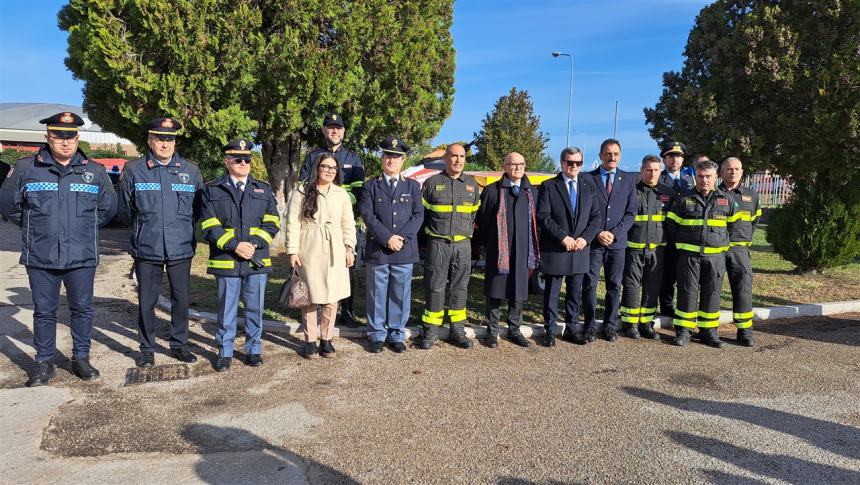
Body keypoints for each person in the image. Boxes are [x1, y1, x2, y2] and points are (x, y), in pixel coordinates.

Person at [0, 112, 117, 386]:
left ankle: (81, 358)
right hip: (41, 255)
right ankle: (44, 362)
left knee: (82, 309)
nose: (65, 142)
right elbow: (8, 206)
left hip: (82, 255)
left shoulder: (94, 171)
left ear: (78, 138)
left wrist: (83, 229)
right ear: (47, 137)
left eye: (71, 136)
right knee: (44, 311)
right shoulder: (26, 168)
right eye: (58, 136)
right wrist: (37, 227)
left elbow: (108, 208)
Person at [117, 117, 204, 368]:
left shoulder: (191, 170)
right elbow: (125, 210)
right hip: (148, 246)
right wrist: (144, 229)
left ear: (175, 142)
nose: (165, 144)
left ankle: (180, 345)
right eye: (159, 138)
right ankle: (147, 348)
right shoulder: (134, 169)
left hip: (180, 246)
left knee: (181, 299)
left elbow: (197, 209)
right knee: (147, 301)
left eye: (169, 139)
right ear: (149, 140)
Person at [199, 139, 280, 371]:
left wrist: (252, 244)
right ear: (227, 162)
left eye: (247, 159)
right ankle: (224, 351)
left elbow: (273, 221)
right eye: (238, 159)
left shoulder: (263, 188)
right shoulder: (212, 189)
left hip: (256, 259)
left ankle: (253, 349)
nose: (244, 163)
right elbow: (209, 225)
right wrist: (235, 245)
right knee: (227, 308)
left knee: (255, 307)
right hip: (227, 260)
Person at [286, 152, 357, 359]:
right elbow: (292, 222)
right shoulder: (302, 191)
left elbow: (348, 224)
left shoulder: (341, 194)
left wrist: (349, 247)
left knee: (331, 297)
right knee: (310, 296)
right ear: (317, 167)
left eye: (333, 168)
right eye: (325, 167)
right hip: (309, 247)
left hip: (335, 248)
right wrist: (292, 251)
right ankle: (309, 340)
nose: (329, 171)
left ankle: (326, 339)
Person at [357, 135, 423, 353]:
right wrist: (388, 238)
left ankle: (396, 333)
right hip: (378, 249)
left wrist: (400, 239)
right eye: (388, 155)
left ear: (403, 160)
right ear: (382, 158)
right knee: (377, 293)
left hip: (404, 250)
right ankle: (376, 334)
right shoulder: (370, 186)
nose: (391, 160)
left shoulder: (413, 187)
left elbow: (418, 215)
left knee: (400, 293)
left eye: (396, 156)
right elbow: (368, 215)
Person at [299, 113, 365, 327]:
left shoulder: (354, 159)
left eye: (338, 128)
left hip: (341, 222)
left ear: (344, 131)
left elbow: (359, 191)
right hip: (316, 222)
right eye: (331, 128)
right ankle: (315, 310)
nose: (335, 131)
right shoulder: (312, 156)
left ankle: (347, 311)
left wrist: (338, 204)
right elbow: (304, 187)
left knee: (346, 267)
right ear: (324, 130)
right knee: (314, 267)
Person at [665, 159, 738, 348]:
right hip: (689, 256)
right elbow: (671, 224)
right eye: (700, 176)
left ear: (716, 177)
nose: (704, 180)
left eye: (708, 176)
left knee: (712, 293)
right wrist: (682, 244)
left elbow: (734, 226)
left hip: (715, 257)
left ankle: (709, 332)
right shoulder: (683, 198)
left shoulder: (727, 200)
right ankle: (684, 331)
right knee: (687, 293)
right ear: (695, 176)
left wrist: (720, 244)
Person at [417, 143, 480, 350]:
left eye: (462, 156)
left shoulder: (471, 184)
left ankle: (457, 330)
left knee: (460, 287)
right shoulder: (432, 183)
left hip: (463, 245)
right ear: (446, 158)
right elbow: (422, 217)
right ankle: (432, 330)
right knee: (435, 286)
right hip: (437, 243)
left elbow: (473, 215)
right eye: (454, 156)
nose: (458, 160)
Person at [536, 147, 601, 346]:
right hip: (557, 247)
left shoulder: (588, 186)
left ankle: (572, 328)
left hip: (580, 249)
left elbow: (596, 217)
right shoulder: (548, 186)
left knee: (575, 293)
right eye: (569, 162)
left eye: (578, 163)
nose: (573, 166)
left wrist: (585, 238)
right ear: (562, 162)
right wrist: (563, 237)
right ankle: (550, 329)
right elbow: (543, 216)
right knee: (552, 293)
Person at [475, 152, 540, 348]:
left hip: (522, 251)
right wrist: (489, 245)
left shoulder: (531, 192)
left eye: (521, 164)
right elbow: (482, 221)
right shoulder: (493, 191)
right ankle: (492, 331)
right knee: (495, 291)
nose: (518, 168)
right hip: (499, 252)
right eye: (513, 164)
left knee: (518, 291)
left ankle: (514, 329)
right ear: (504, 167)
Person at [581, 139, 638, 342]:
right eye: (607, 153)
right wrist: (597, 232)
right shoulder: (587, 178)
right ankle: (589, 325)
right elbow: (584, 211)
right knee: (590, 284)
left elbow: (631, 213)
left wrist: (614, 233)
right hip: (594, 242)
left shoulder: (629, 179)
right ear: (600, 155)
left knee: (614, 285)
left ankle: (610, 326)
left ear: (620, 156)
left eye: (615, 154)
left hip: (617, 243)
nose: (611, 157)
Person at [619, 155, 674, 340]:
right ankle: (630, 323)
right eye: (648, 170)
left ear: (660, 171)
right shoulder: (631, 191)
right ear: (642, 170)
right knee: (632, 286)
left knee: (652, 287)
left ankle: (647, 323)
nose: (652, 173)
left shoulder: (668, 193)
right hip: (634, 249)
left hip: (657, 250)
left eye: (656, 170)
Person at [719, 157, 761, 346]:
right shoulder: (714, 193)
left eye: (737, 169)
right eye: (729, 169)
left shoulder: (751, 196)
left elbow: (754, 222)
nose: (733, 172)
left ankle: (745, 331)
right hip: (716, 249)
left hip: (739, 250)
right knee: (712, 289)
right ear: (721, 171)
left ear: (742, 172)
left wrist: (743, 239)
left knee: (743, 290)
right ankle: (708, 329)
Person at [658, 141, 695, 318]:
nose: (675, 160)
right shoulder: (658, 179)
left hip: (687, 236)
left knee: (686, 274)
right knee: (667, 274)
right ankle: (666, 306)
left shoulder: (690, 180)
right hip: (664, 236)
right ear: (664, 159)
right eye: (671, 156)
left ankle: (684, 306)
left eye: (678, 156)